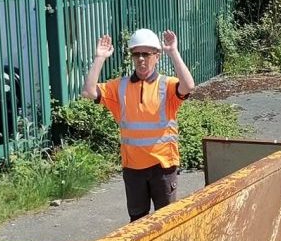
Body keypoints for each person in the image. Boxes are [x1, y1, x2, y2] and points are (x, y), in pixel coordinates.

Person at [81, 28, 195, 222]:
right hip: (133, 169)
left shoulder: (166, 85)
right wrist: (99, 58)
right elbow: (89, 92)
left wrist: (174, 52)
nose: (141, 59)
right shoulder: (120, 87)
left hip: (163, 167)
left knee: (166, 223)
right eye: (136, 54)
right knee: (137, 224)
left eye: (146, 54)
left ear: (156, 57)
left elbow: (188, 86)